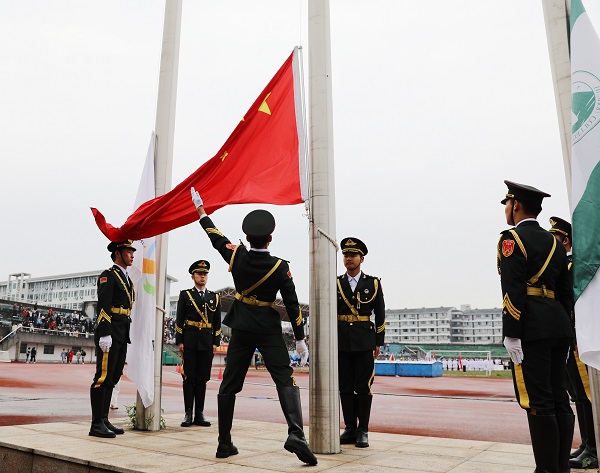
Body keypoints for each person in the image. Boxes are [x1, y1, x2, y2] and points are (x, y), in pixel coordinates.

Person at [190, 187, 317, 466]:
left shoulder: (237, 256)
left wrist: (201, 212)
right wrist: (300, 339)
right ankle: (296, 434)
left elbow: (215, 237)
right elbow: (292, 305)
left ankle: (224, 442)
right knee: (284, 379)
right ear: (270, 237)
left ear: (246, 238)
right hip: (268, 330)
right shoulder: (280, 267)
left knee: (229, 384)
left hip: (242, 327)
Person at [497, 181, 574, 472]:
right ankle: (560, 468)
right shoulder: (555, 242)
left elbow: (512, 288)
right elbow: (564, 291)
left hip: (531, 327)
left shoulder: (511, 239)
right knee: (559, 398)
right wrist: (567, 328)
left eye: (507, 204)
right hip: (558, 325)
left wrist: (512, 332)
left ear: (515, 205)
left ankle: (546, 469)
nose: (506, 209)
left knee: (538, 400)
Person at [549, 216, 598, 469]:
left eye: (555, 238)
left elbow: (575, 303)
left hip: (577, 337)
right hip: (569, 337)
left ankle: (593, 448)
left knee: (585, 394)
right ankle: (587, 443)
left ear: (566, 240)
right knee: (577, 394)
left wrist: (577, 334)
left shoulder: (573, 266)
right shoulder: (565, 265)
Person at [337, 237, 385, 448]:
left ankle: (363, 430)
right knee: (345, 386)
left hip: (365, 341)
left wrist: (378, 342)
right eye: (346, 255)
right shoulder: (336, 283)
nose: (349, 258)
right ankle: (350, 428)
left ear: (361, 259)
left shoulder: (372, 283)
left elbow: (380, 314)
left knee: (363, 387)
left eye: (353, 255)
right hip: (341, 340)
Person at [89, 240, 136, 438]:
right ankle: (96, 424)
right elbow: (104, 305)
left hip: (122, 332)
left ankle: (104, 419)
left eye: (133, 251)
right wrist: (105, 333)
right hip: (110, 332)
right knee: (103, 377)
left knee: (114, 377)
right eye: (129, 251)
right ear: (118, 253)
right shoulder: (108, 275)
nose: (132, 255)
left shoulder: (127, 278)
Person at [175, 259, 222, 428]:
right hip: (189, 340)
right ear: (193, 276)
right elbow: (179, 320)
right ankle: (188, 413)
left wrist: (215, 342)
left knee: (202, 378)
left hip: (206, 342)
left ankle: (199, 414)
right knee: (189, 377)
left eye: (205, 274)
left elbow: (217, 322)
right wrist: (180, 341)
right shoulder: (186, 295)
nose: (203, 277)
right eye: (199, 274)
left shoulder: (214, 297)